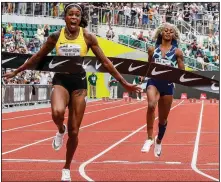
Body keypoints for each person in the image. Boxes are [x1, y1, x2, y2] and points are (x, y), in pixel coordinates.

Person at [3, 3, 141, 181]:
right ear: (65, 17)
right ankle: (61, 129)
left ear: (80, 18)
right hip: (61, 79)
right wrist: (17, 71)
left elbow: (105, 62)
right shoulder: (55, 36)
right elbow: (38, 57)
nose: (74, 17)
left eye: (77, 15)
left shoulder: (88, 37)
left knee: (75, 132)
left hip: (79, 83)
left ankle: (66, 168)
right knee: (57, 113)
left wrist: (125, 83)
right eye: (70, 14)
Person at [141, 23, 185, 157]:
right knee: (151, 105)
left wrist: (174, 72)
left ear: (173, 35)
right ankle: (149, 138)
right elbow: (149, 65)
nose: (167, 32)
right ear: (161, 33)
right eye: (165, 30)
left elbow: (182, 71)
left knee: (163, 120)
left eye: (170, 31)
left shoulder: (177, 52)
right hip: (154, 82)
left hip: (168, 85)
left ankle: (158, 140)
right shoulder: (152, 49)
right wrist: (144, 74)